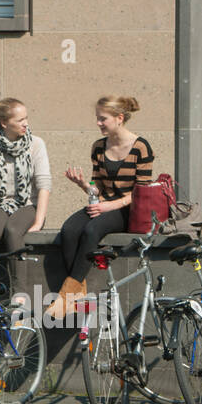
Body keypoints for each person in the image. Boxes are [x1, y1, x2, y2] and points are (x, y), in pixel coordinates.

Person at [45, 95, 153, 320]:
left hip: (127, 209)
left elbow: (141, 193)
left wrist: (108, 206)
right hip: (104, 204)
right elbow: (98, 188)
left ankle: (66, 299)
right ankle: (76, 298)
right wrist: (84, 185)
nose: (98, 123)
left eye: (102, 119)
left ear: (119, 118)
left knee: (91, 231)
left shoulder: (141, 147)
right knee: (70, 229)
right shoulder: (98, 147)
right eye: (97, 119)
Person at [0, 98, 51, 323]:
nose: (26, 123)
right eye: (20, 119)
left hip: (28, 205)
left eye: (26, 118)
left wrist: (39, 220)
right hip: (0, 203)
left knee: (14, 230)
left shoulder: (36, 144)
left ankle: (20, 295)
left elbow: (44, 184)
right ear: (5, 123)